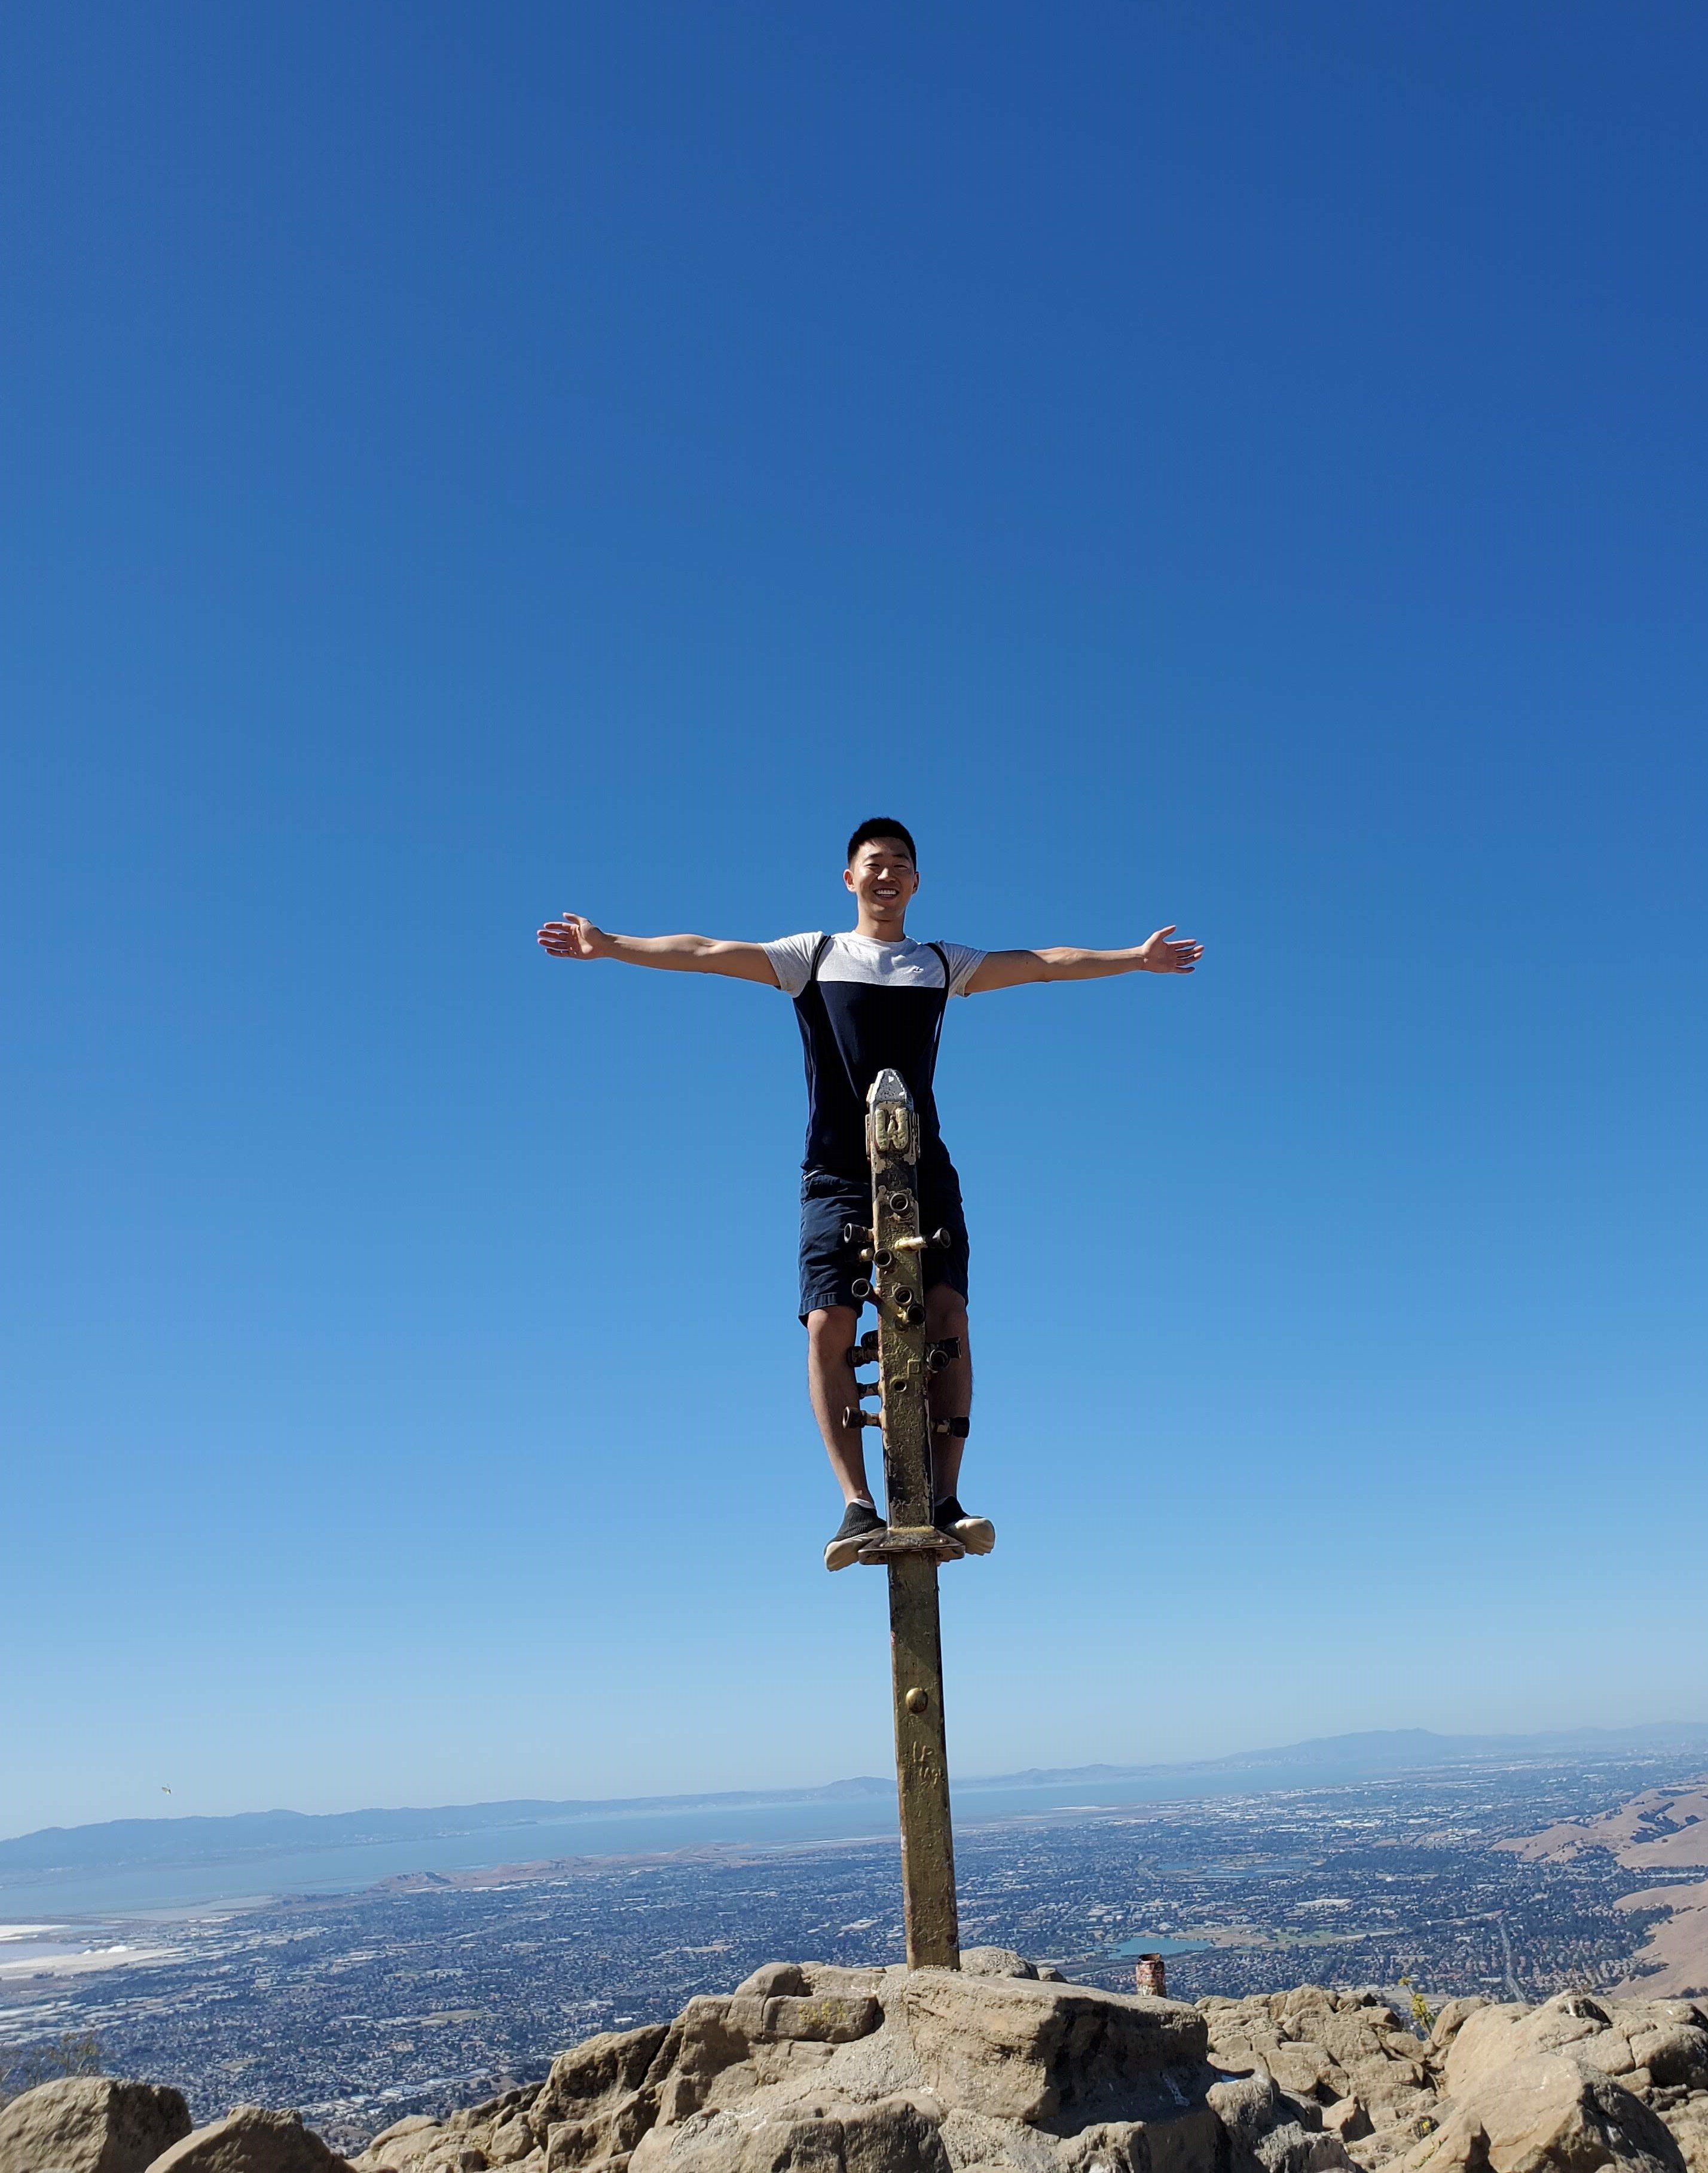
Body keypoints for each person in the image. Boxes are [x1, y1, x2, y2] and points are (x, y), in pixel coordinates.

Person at [537, 818, 1203, 1572]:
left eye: (900, 866)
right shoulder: (812, 956)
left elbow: (1045, 963)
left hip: (926, 1171)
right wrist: (612, 943)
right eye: (873, 864)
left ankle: (946, 1499)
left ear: (916, 883)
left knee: (947, 1313)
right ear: (849, 879)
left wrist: (1134, 960)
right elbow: (704, 952)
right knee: (828, 1322)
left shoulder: (939, 962)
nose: (886, 875)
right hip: (834, 1173)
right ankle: (856, 1504)